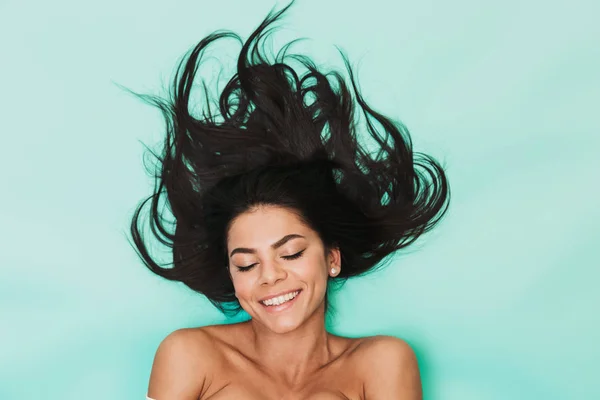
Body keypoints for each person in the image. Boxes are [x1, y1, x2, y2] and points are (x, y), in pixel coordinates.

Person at [125, 1, 450, 398]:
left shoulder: (381, 362)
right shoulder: (190, 355)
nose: (269, 276)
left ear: (332, 257)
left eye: (291, 253)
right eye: (246, 263)